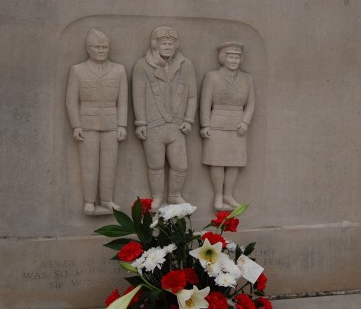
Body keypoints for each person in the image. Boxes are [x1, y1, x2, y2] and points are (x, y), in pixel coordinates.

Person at [132, 26, 197, 212]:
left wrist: (189, 119)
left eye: (170, 43)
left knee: (180, 165)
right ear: (155, 45)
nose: (167, 47)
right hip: (153, 126)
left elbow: (192, 96)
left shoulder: (186, 65)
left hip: (177, 126)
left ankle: (175, 194)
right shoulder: (142, 65)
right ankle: (158, 197)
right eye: (163, 44)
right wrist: (140, 123)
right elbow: (138, 96)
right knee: (156, 165)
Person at [66, 29, 127, 216]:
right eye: (97, 47)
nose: (102, 50)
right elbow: (71, 100)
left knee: (109, 164)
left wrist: (122, 125)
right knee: (89, 164)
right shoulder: (78, 70)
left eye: (105, 47)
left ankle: (107, 200)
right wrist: (76, 125)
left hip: (110, 122)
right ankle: (89, 201)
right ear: (88, 49)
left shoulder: (119, 70)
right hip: (87, 123)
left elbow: (123, 100)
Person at [200, 42, 255, 211]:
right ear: (223, 58)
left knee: (234, 162)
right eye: (231, 57)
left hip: (238, 125)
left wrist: (245, 122)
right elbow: (205, 102)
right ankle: (218, 195)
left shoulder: (247, 78)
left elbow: (251, 104)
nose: (234, 60)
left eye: (237, 57)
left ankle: (228, 195)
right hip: (217, 123)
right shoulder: (212, 76)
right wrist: (205, 125)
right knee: (217, 161)